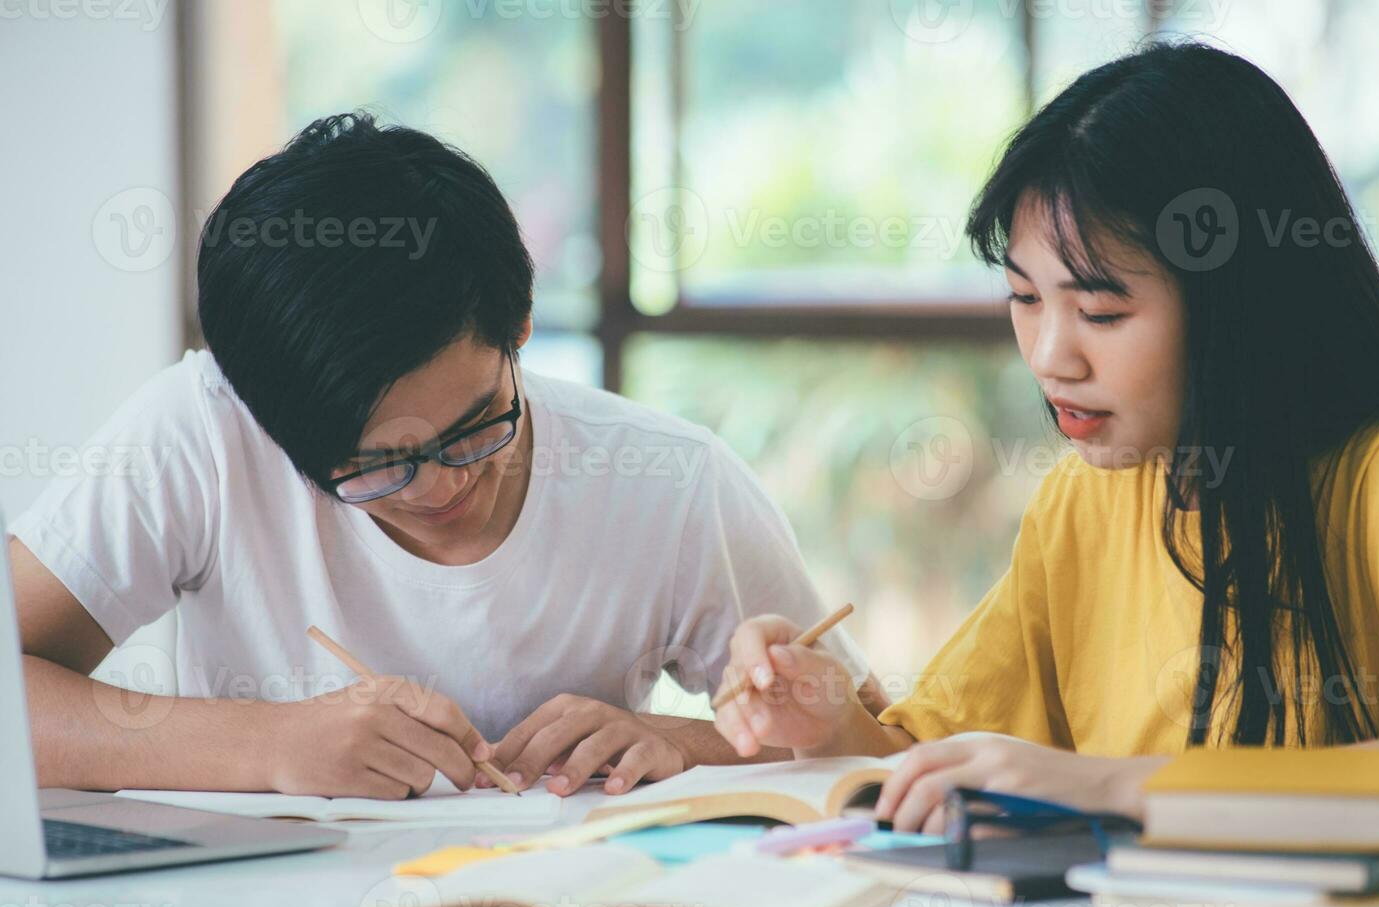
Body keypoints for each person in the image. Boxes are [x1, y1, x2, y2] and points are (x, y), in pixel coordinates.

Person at [714, 42, 1379, 833]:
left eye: (1102, 313)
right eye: (1023, 297)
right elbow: (931, 760)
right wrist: (828, 721)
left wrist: (1117, 786)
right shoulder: (1084, 501)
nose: (1049, 357)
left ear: (1236, 304)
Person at [11, 112, 876, 801]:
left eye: (476, 425)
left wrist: (684, 742)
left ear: (522, 328)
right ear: (270, 422)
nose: (445, 483)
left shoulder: (670, 482)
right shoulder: (201, 433)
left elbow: (872, 737)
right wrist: (269, 744)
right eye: (376, 466)